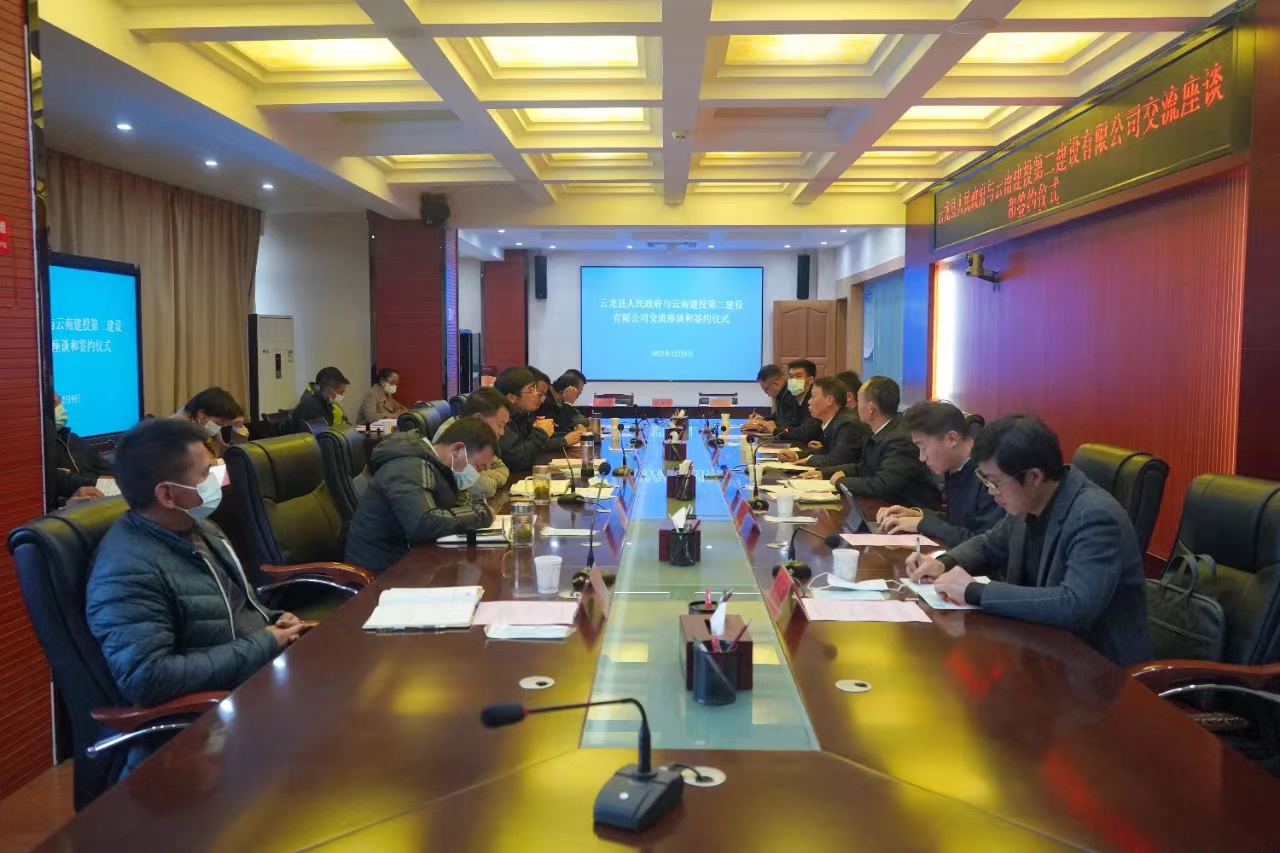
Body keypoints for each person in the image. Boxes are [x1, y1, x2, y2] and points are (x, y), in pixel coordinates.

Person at [85, 419, 307, 770]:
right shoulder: (126, 569)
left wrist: (274, 620)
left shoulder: (201, 528)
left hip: (255, 688)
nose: (216, 479)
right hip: (207, 733)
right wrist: (264, 643)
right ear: (167, 494)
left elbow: (236, 607)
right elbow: (148, 677)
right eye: (206, 474)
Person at [905, 415, 1151, 666]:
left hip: (1096, 667)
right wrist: (943, 562)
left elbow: (1074, 605)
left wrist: (974, 591)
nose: (991, 490)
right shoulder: (1029, 502)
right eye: (985, 480)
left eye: (995, 481)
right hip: (1039, 648)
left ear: (1034, 476)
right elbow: (989, 545)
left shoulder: (1094, 515)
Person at [344, 418, 498, 573]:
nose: (478, 475)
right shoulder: (408, 467)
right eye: (478, 467)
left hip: (407, 561)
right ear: (457, 450)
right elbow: (422, 523)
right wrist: (481, 514)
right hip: (378, 573)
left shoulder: (438, 470)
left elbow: (452, 507)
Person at [879, 401, 1004, 547]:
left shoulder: (991, 475)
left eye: (923, 447)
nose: (921, 458)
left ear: (951, 439)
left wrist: (923, 524)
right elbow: (958, 521)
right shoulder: (955, 468)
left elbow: (984, 543)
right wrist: (918, 514)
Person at [805, 376, 941, 510]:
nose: (855, 407)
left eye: (859, 401)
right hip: (884, 508)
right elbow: (864, 468)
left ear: (870, 408)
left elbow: (883, 484)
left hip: (907, 511)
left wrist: (841, 481)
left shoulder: (899, 440)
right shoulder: (877, 432)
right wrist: (824, 473)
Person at [774, 377, 869, 470]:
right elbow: (826, 451)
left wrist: (808, 461)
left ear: (829, 400)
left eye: (813, 397)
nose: (809, 401)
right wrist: (796, 455)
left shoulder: (848, 425)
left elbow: (838, 460)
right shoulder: (834, 421)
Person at [433, 386, 512, 499]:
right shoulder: (457, 438)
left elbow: (502, 468)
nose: (502, 432)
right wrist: (489, 476)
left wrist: (487, 474)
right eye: (500, 425)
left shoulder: (478, 439)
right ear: (478, 419)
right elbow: (484, 488)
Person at [48, 391, 113, 507]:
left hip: (98, 501)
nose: (61, 408)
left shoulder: (73, 439)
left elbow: (107, 470)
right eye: (54, 404)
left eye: (60, 401)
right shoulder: (37, 451)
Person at [495, 367, 556, 469]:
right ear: (512, 398)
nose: (536, 395)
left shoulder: (521, 415)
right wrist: (541, 432)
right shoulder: (500, 420)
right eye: (531, 391)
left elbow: (528, 445)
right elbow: (518, 459)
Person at [172, 387, 247, 459]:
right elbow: (193, 463)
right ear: (201, 415)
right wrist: (222, 462)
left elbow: (222, 451)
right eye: (218, 423)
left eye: (223, 424)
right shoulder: (176, 429)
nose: (219, 427)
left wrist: (238, 428)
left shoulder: (206, 422)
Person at [291, 367, 349, 431]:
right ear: (330, 389)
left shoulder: (327, 406)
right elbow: (318, 435)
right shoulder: (312, 405)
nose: (342, 395)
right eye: (341, 392)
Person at [743, 365, 788, 433]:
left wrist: (761, 425)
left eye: (766, 389)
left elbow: (788, 425)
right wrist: (763, 419)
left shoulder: (790, 395)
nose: (765, 393)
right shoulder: (780, 394)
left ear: (776, 384)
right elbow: (778, 416)